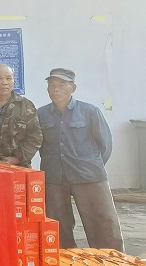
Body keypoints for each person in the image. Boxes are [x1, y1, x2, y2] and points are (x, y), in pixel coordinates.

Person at [38, 68, 123, 250]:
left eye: (62, 85)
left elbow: (105, 145)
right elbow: (39, 145)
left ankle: (111, 259)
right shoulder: (40, 114)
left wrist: (90, 166)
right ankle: (66, 259)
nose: (56, 89)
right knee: (57, 223)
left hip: (89, 175)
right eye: (52, 85)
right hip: (54, 176)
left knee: (102, 221)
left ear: (73, 88)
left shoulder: (90, 111)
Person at [0, 64, 42, 167]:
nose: (4, 82)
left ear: (14, 80)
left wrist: (17, 158)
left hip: (19, 167)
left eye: (9, 78)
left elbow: (35, 136)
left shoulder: (25, 105)